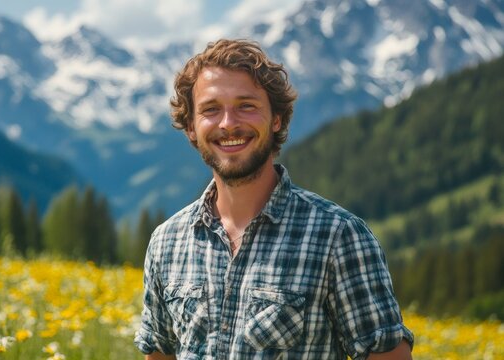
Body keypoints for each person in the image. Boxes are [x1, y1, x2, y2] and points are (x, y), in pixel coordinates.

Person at [134, 39, 414, 359]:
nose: (228, 123)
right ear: (191, 128)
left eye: (246, 106)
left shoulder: (339, 237)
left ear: (277, 119)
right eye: (211, 109)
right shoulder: (166, 242)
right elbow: (160, 353)